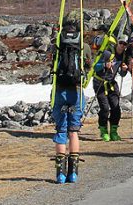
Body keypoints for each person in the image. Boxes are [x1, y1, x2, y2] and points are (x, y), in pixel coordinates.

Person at [50, 19, 91, 184]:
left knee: (61, 131)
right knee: (73, 131)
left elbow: (52, 65)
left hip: (60, 92)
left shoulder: (57, 45)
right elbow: (88, 66)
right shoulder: (83, 47)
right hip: (76, 92)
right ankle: (73, 173)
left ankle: (60, 174)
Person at [92, 34, 128, 142]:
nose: (122, 46)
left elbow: (122, 74)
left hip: (112, 83)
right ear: (117, 43)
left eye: (125, 44)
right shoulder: (107, 53)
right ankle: (103, 131)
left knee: (116, 108)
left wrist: (125, 69)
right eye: (121, 43)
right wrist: (104, 65)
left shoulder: (124, 56)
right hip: (99, 83)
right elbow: (94, 66)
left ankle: (113, 131)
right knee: (105, 108)